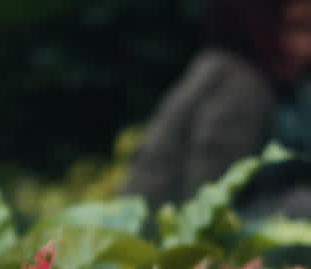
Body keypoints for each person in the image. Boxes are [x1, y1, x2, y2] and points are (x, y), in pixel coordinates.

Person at [123, 0, 311, 212]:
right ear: (256, 24)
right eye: (295, 28)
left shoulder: (243, 72)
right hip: (166, 234)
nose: (306, 47)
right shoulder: (241, 85)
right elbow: (207, 200)